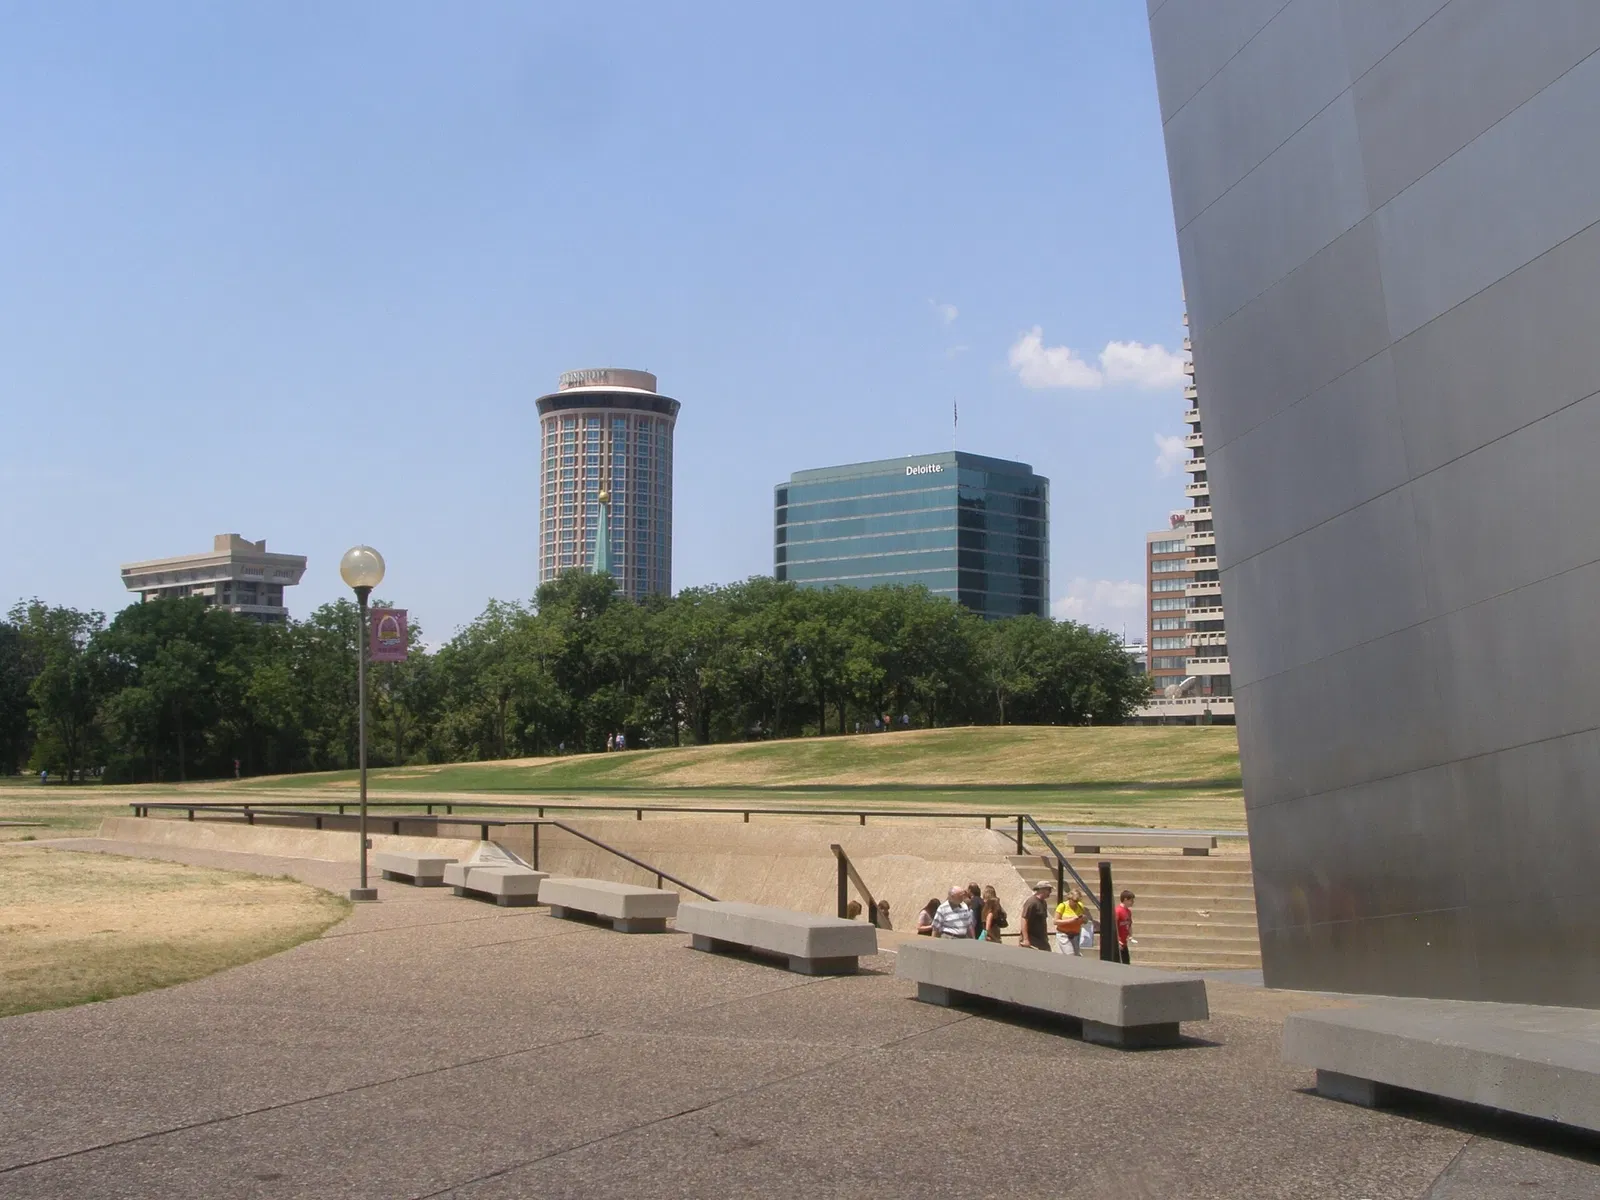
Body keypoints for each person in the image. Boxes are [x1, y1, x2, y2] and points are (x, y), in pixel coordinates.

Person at [1019, 881, 1053, 951]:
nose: (1050, 892)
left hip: (1042, 940)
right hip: (1032, 940)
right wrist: (1025, 939)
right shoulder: (1032, 902)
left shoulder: (1043, 903)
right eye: (1049, 890)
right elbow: (1024, 919)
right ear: (1042, 889)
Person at [1055, 887, 1089, 955]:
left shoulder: (1080, 906)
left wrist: (1084, 918)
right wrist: (1071, 920)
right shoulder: (1062, 906)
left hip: (1076, 935)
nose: (1076, 903)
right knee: (1071, 955)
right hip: (1064, 935)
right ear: (1069, 898)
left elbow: (1085, 921)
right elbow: (1055, 921)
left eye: (1078, 901)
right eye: (1074, 901)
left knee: (1076, 956)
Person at [1115, 890, 1136, 964]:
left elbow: (1129, 924)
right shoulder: (1118, 911)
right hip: (1118, 943)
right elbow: (1114, 926)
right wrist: (1117, 940)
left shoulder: (1128, 912)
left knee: (1126, 963)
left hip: (1124, 943)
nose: (1133, 902)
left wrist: (1130, 936)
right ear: (1125, 900)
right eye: (1131, 900)